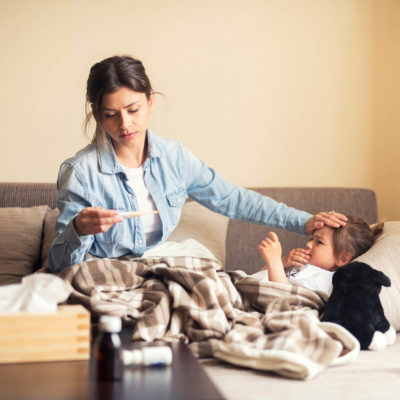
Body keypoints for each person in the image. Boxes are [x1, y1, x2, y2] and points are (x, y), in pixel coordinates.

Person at [48, 55, 347, 273]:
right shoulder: (81, 173)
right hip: (102, 275)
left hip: (154, 270)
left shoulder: (174, 158)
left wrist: (304, 221)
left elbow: (232, 199)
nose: (125, 124)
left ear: (150, 102)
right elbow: (60, 264)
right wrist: (79, 228)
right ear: (98, 115)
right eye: (111, 114)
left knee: (211, 288)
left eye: (133, 109)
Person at [257, 215, 384, 294]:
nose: (309, 244)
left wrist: (274, 261)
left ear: (343, 258)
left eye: (319, 242)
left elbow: (283, 297)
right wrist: (283, 262)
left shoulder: (326, 279)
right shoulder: (301, 265)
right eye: (311, 239)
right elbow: (258, 275)